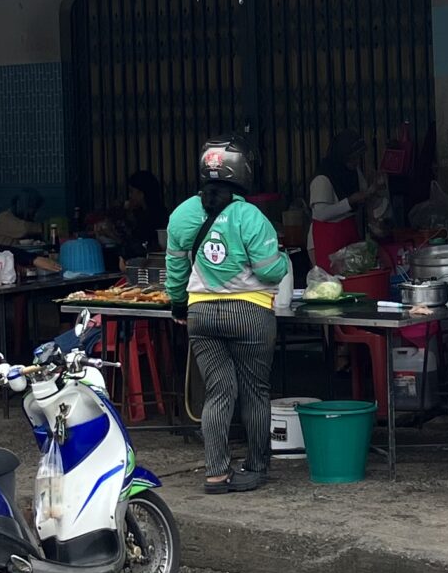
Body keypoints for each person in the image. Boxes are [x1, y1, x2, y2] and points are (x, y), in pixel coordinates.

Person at [167, 137, 291, 495]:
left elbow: (175, 272)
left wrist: (178, 305)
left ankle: (216, 472)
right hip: (250, 314)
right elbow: (270, 272)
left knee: (218, 392)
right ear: (243, 172)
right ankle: (254, 467)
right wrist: (283, 259)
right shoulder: (250, 215)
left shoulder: (182, 214)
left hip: (201, 314)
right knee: (255, 391)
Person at [307, 133, 386, 269]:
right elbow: (321, 214)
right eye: (352, 158)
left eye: (357, 157)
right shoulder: (323, 178)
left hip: (348, 232)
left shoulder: (353, 171)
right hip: (326, 238)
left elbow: (364, 194)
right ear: (342, 157)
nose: (355, 161)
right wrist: (350, 201)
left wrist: (374, 189)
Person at [119, 170, 167, 257]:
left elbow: (138, 243)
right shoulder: (139, 212)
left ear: (141, 193)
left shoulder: (155, 216)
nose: (130, 196)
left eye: (132, 191)